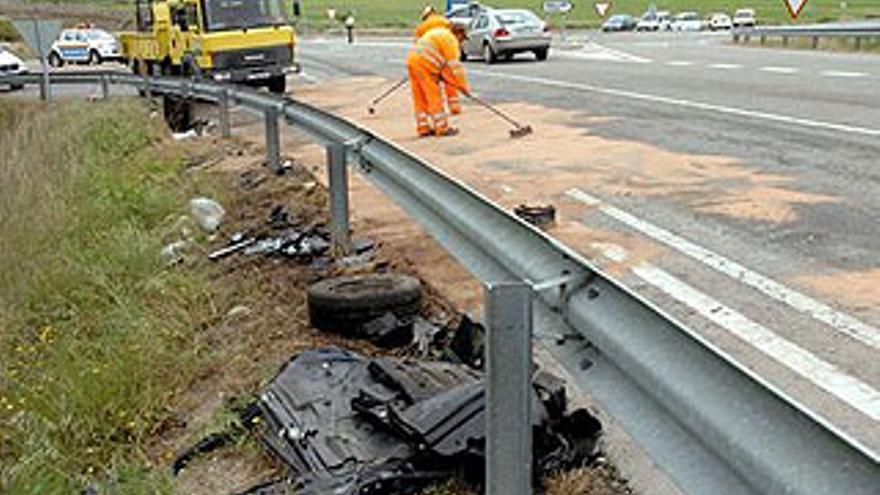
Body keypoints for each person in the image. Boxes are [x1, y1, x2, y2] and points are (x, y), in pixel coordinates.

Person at [406, 23, 470, 137]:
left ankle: (423, 127)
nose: (462, 42)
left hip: (412, 60)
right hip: (425, 64)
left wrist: (443, 76)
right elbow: (454, 68)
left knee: (419, 96)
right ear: (458, 34)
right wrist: (463, 88)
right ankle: (442, 128)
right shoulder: (451, 41)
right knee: (433, 95)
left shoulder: (440, 33)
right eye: (463, 38)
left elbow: (443, 66)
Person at [414, 6, 463, 115]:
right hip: (445, 53)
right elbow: (451, 35)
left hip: (429, 58)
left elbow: (417, 47)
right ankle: (454, 107)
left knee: (431, 87)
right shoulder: (445, 21)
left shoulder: (420, 28)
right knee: (450, 81)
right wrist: (462, 86)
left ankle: (432, 113)